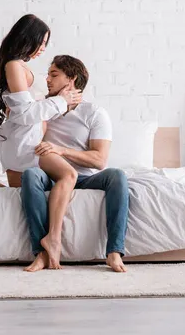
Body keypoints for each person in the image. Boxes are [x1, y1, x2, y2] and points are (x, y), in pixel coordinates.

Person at [20, 55, 129, 273]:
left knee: (117, 176)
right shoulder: (43, 108)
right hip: (51, 175)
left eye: (54, 74)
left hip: (86, 177)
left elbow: (99, 160)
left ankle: (114, 252)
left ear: (71, 80)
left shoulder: (94, 113)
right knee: (30, 175)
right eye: (48, 74)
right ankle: (41, 252)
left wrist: (60, 150)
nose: (47, 80)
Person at [0, 14, 82, 191]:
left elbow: (24, 108)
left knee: (18, 192)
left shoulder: (21, 65)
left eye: (46, 43)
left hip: (28, 136)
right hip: (23, 141)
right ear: (28, 38)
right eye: (42, 42)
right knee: (41, 186)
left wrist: (63, 99)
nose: (44, 48)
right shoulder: (13, 65)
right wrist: (61, 100)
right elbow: (25, 112)